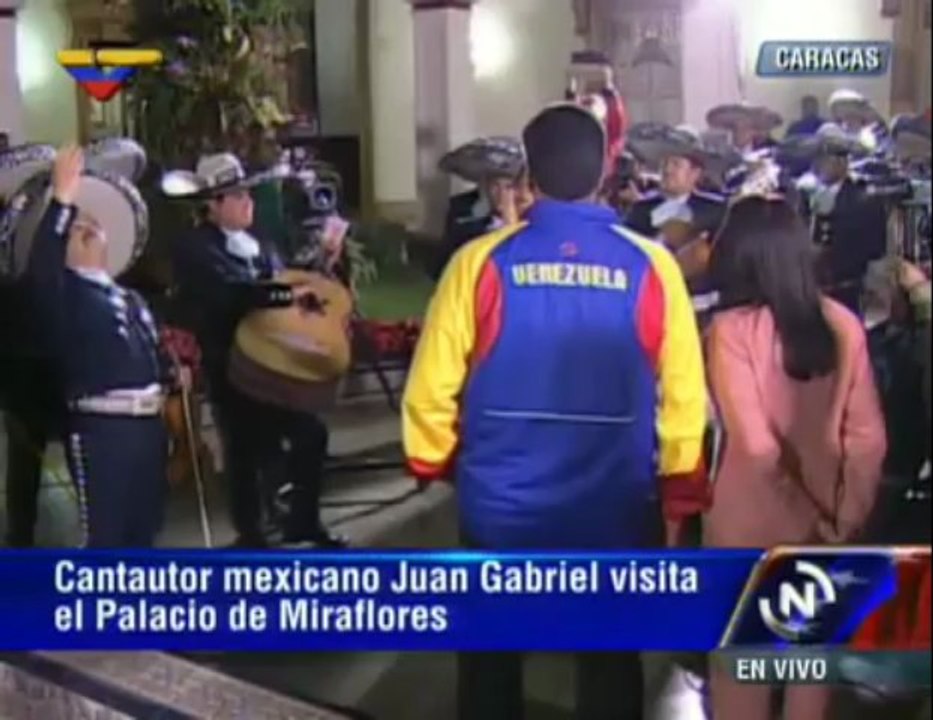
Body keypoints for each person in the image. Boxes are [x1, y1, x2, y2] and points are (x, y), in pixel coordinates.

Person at [403, 104, 708, 720]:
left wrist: (440, 463)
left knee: (490, 661)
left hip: (501, 508)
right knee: (608, 662)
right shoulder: (654, 267)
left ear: (528, 175)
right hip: (616, 508)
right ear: (606, 172)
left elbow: (429, 394)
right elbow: (684, 402)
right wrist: (678, 490)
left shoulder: (477, 264)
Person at [704, 196, 886, 720]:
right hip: (828, 526)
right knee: (809, 674)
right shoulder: (843, 323)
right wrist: (844, 517)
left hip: (746, 529)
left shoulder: (731, 332)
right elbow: (869, 438)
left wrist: (803, 514)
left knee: (743, 676)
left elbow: (757, 448)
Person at [170, 152, 344, 549]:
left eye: (247, 193)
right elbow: (232, 293)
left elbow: (289, 281)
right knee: (245, 450)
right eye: (236, 196)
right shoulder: (194, 247)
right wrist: (283, 291)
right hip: (232, 366)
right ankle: (252, 533)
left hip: (278, 363)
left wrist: (321, 263)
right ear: (213, 206)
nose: (248, 202)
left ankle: (303, 521)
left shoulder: (261, 241)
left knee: (310, 435)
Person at [26, 146, 175, 547]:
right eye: (75, 226)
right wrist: (62, 200)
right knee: (104, 539)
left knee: (144, 532)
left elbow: (155, 353)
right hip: (103, 431)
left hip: (148, 428)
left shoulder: (132, 299)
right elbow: (42, 271)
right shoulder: (61, 293)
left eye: (94, 224)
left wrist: (171, 372)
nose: (86, 227)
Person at [809, 142, 888, 314]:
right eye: (817, 161)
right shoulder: (809, 194)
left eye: (825, 161)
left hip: (849, 281)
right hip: (816, 282)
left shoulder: (862, 199)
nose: (818, 167)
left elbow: (873, 245)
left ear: (842, 163)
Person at [431, 172, 532, 280]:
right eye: (495, 185)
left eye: (508, 187)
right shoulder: (465, 216)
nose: (501, 193)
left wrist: (511, 222)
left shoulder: (531, 219)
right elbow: (443, 265)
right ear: (486, 187)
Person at [624, 141, 725, 240]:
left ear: (694, 174)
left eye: (676, 164)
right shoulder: (641, 209)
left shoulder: (713, 212)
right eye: (664, 163)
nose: (667, 170)